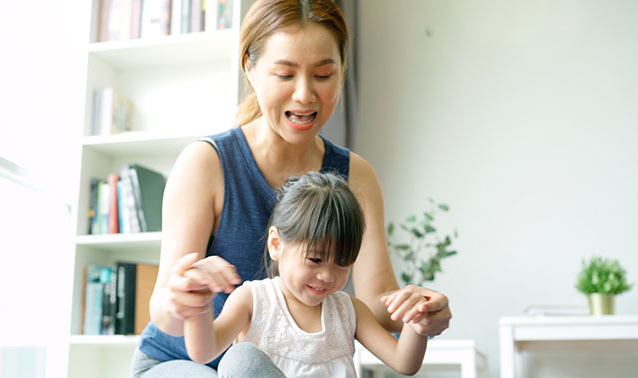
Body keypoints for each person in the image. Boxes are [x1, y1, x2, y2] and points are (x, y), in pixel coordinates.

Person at [132, 1, 451, 377]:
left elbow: (377, 306)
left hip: (283, 371)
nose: (304, 95)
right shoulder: (206, 163)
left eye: (322, 75)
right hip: (184, 361)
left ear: (342, 71)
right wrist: (184, 298)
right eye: (285, 75)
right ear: (250, 68)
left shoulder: (356, 176)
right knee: (243, 365)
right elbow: (164, 314)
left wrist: (417, 310)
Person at [184, 171, 429, 377]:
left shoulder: (349, 310)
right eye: (315, 259)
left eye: (342, 263)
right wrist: (200, 301)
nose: (327, 275)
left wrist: (417, 321)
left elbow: (404, 363)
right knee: (240, 359)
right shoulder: (253, 299)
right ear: (276, 245)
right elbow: (203, 352)